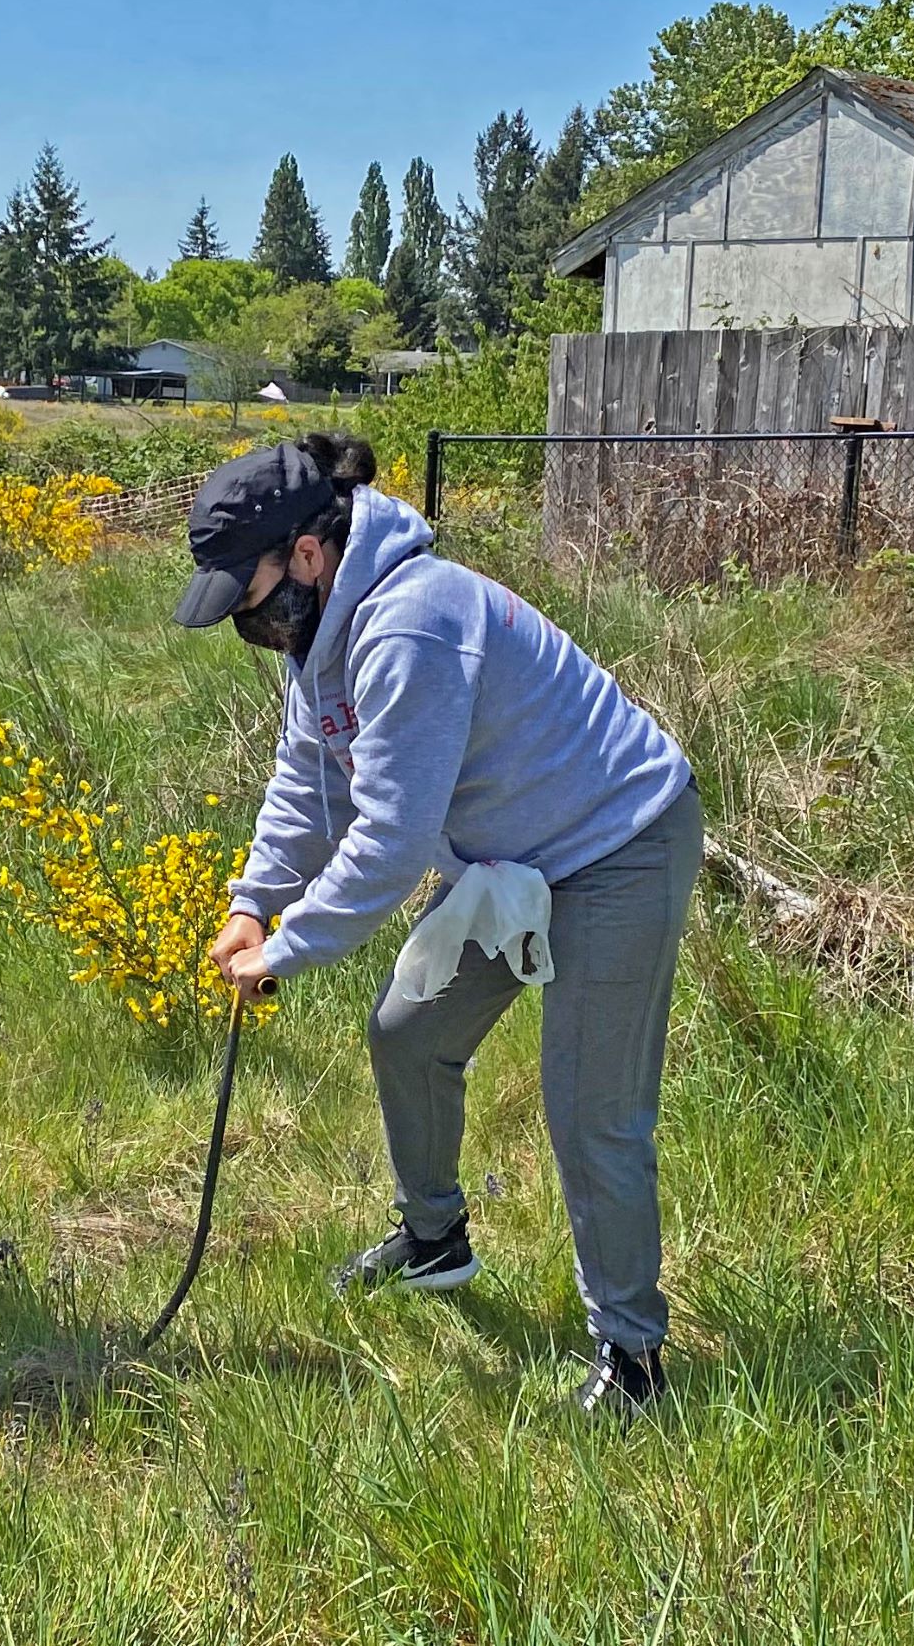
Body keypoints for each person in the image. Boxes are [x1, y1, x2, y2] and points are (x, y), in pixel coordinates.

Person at [177, 433, 701, 1418]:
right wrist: (253, 901)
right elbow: (305, 776)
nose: (243, 618)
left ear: (303, 553)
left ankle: (633, 1363)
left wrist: (287, 949)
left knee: (590, 1111)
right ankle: (433, 1244)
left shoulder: (409, 623)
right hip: (503, 863)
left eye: (241, 591)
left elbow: (388, 841)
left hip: (617, 843)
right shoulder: (317, 633)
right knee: (408, 1034)